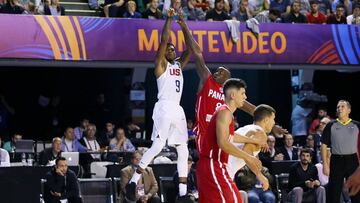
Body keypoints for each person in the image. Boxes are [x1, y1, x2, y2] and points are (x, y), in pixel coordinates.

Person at [177, 13, 287, 156]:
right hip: (204, 133)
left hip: (222, 135)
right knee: (210, 162)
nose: (216, 73)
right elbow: (197, 53)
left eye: (220, 72)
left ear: (227, 78)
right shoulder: (207, 80)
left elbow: (254, 110)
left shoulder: (230, 93)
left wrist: (273, 127)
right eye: (216, 71)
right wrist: (184, 27)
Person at [125, 8, 193, 203]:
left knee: (183, 149)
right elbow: (163, 41)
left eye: (173, 49)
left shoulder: (179, 65)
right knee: (157, 146)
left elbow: (190, 49)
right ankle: (133, 181)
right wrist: (170, 19)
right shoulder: (160, 65)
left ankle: (182, 194)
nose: (171, 50)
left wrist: (183, 24)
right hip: (164, 107)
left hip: (177, 108)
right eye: (169, 49)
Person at [196, 78, 265, 202]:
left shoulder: (226, 113)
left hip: (210, 165)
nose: (245, 96)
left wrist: (255, 141)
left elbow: (231, 136)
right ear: (233, 95)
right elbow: (223, 143)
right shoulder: (225, 113)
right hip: (213, 164)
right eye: (242, 93)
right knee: (234, 200)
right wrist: (249, 157)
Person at [321, 100, 360, 203]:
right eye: (338, 107)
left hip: (353, 161)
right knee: (334, 192)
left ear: (349, 110)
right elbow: (324, 145)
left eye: (342, 107)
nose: (339, 109)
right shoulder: (330, 125)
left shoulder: (357, 125)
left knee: (356, 193)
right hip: (336, 161)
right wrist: (325, 164)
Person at [227, 104, 276, 180]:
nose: (274, 123)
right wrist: (260, 176)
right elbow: (247, 151)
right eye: (273, 119)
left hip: (219, 166)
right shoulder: (261, 133)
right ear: (266, 120)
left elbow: (249, 149)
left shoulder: (245, 128)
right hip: (225, 170)